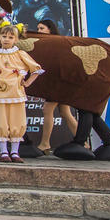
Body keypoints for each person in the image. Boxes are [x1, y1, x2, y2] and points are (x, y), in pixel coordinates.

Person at [0, 23, 43, 163]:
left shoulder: (20, 54)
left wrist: (28, 82)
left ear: (16, 39)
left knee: (17, 122)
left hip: (16, 94)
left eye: (11, 37)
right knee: (1, 122)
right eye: (4, 36)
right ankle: (3, 151)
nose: (7, 39)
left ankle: (15, 152)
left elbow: (36, 69)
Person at [34, 19, 78, 154]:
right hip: (59, 82)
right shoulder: (48, 43)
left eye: (42, 28)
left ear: (50, 29)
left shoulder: (56, 42)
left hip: (59, 82)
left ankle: (45, 144)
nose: (39, 31)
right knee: (65, 112)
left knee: (47, 109)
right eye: (38, 28)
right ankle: (82, 142)